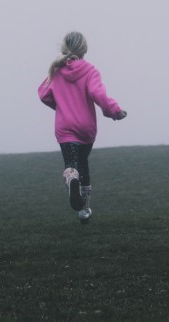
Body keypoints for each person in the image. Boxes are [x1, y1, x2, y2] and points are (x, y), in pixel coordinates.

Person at [38, 31, 126, 223]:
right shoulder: (90, 71)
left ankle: (72, 180)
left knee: (72, 164)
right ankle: (84, 210)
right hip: (86, 128)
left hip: (65, 127)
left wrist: (61, 106)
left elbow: (43, 94)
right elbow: (98, 94)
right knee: (83, 164)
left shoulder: (55, 70)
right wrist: (115, 111)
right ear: (84, 49)